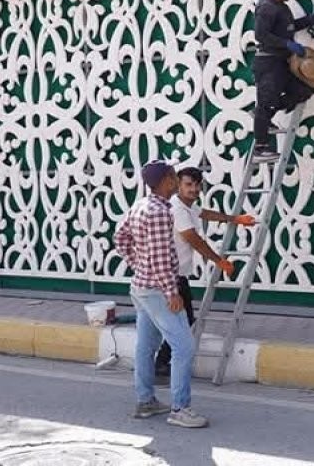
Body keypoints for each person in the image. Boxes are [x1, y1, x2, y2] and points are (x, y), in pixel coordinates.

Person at [113, 159, 207, 428]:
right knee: (184, 347)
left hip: (142, 286)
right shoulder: (159, 212)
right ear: (167, 180)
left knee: (146, 346)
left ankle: (146, 401)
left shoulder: (141, 205)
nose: (177, 179)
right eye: (173, 175)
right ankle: (180, 409)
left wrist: (137, 264)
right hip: (157, 289)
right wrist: (171, 292)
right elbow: (160, 257)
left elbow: (120, 238)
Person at [153, 166, 257, 381]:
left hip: (177, 274)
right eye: (188, 185)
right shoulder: (177, 209)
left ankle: (161, 364)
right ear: (178, 185)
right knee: (183, 319)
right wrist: (219, 261)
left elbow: (204, 213)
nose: (193, 189)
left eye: (196, 185)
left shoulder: (188, 207)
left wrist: (234, 218)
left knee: (182, 319)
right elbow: (193, 239)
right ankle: (162, 365)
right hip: (171, 275)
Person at [251, 0, 314, 162]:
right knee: (265, 103)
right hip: (268, 63)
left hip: (284, 63)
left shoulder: (282, 7)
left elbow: (290, 26)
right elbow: (261, 35)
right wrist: (286, 44)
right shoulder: (266, 7)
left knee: (304, 89)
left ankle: (262, 116)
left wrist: (313, 18)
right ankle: (261, 147)